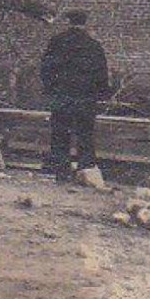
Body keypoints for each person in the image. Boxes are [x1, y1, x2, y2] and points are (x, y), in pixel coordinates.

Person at [39, 9, 110, 176]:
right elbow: (102, 75)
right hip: (85, 98)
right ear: (85, 23)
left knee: (60, 133)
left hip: (62, 97)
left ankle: (61, 170)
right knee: (85, 135)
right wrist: (98, 95)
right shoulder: (94, 46)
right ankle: (85, 170)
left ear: (68, 22)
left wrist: (51, 90)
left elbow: (46, 69)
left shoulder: (57, 42)